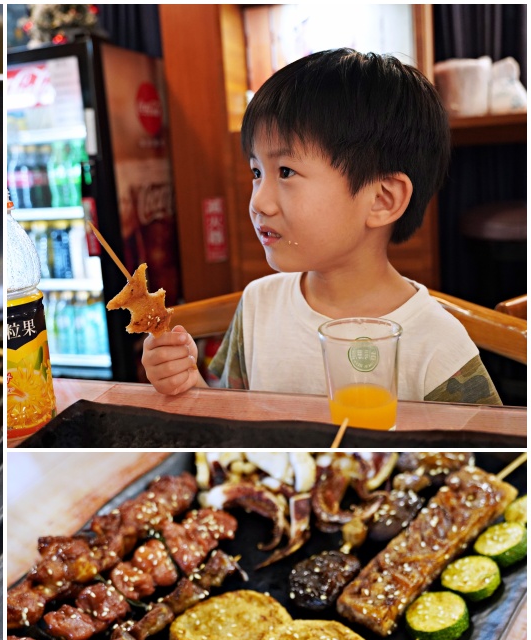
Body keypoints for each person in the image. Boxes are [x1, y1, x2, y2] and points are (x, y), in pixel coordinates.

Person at [143, 49, 501, 405]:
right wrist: (187, 384)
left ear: (381, 200)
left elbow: (483, 452)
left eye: (286, 172)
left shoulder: (437, 342)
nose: (258, 203)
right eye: (256, 172)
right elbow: (232, 426)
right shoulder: (258, 305)